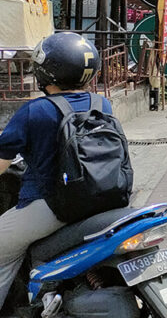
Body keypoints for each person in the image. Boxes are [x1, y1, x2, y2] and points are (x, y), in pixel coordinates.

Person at [0, 33, 109, 307]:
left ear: (44, 70)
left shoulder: (34, 111)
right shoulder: (102, 104)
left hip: (51, 205)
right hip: (104, 200)